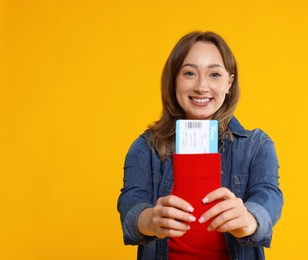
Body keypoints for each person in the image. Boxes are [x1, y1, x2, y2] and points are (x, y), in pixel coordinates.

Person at [117, 31, 283, 260]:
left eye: (214, 74)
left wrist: (249, 219)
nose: (202, 87)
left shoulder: (256, 145)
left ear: (229, 83)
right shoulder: (146, 147)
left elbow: (269, 196)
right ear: (174, 80)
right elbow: (130, 203)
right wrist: (150, 219)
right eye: (189, 73)